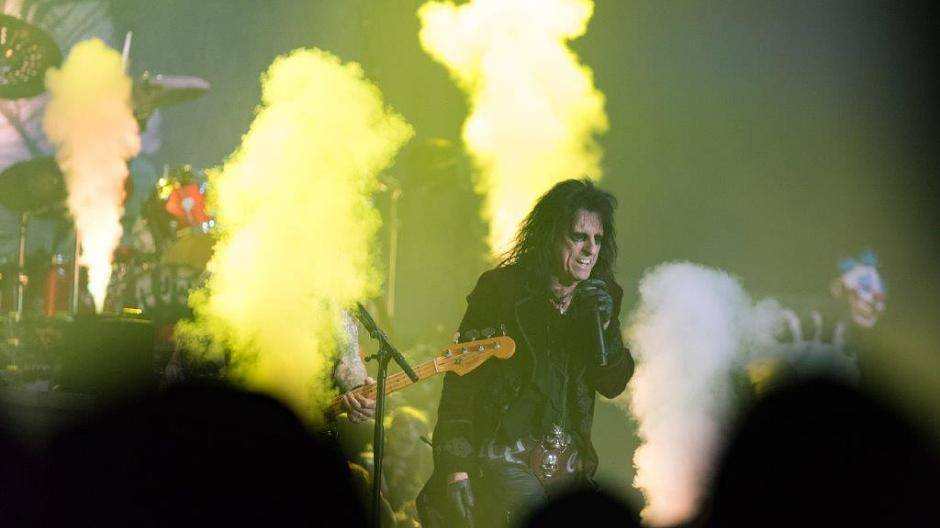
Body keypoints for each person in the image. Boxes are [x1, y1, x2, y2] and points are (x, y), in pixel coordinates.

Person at [419, 179, 635, 527]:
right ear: (551, 235)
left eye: (598, 239)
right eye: (579, 236)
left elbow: (612, 384)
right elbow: (461, 382)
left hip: (566, 462)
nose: (590, 250)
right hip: (502, 454)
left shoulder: (601, 297)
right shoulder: (501, 291)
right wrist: (455, 466)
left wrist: (606, 326)